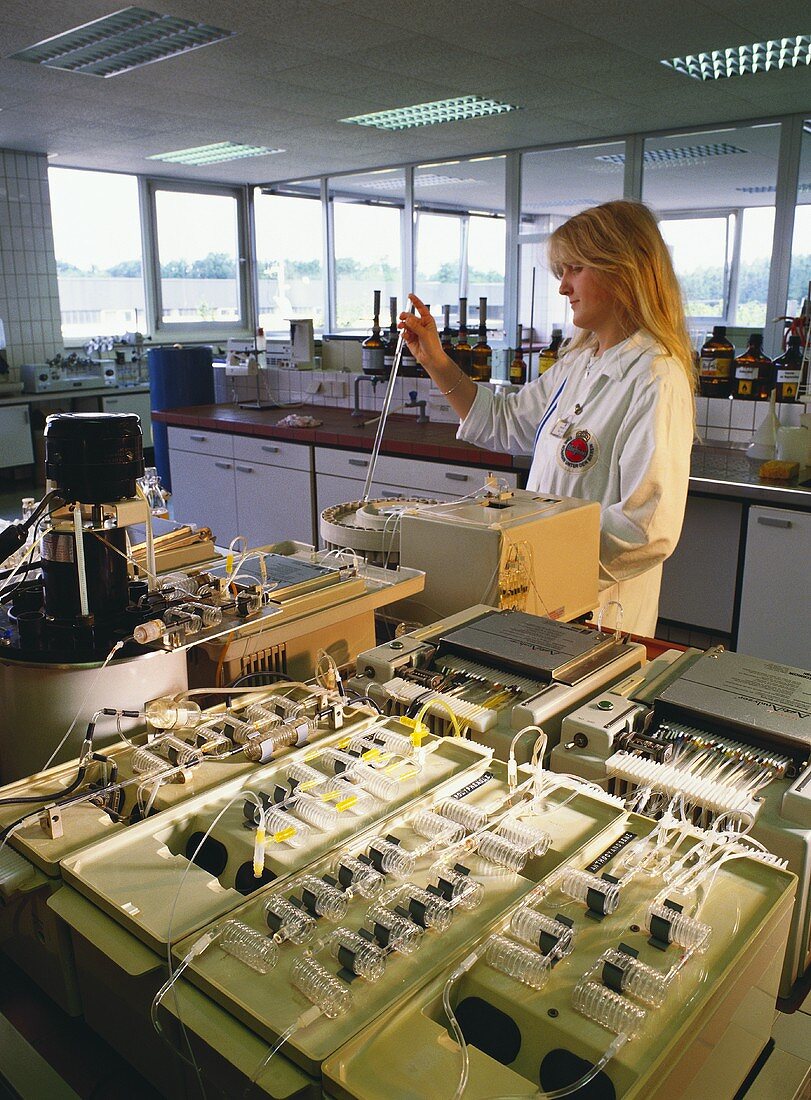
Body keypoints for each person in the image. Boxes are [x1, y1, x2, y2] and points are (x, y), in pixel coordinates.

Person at [398, 200, 696, 637]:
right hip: (541, 602)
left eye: (575, 269)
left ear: (621, 270)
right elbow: (506, 420)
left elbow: (645, 529)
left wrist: (535, 563)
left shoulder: (655, 376)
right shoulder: (580, 362)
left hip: (599, 616)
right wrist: (436, 362)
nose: (563, 288)